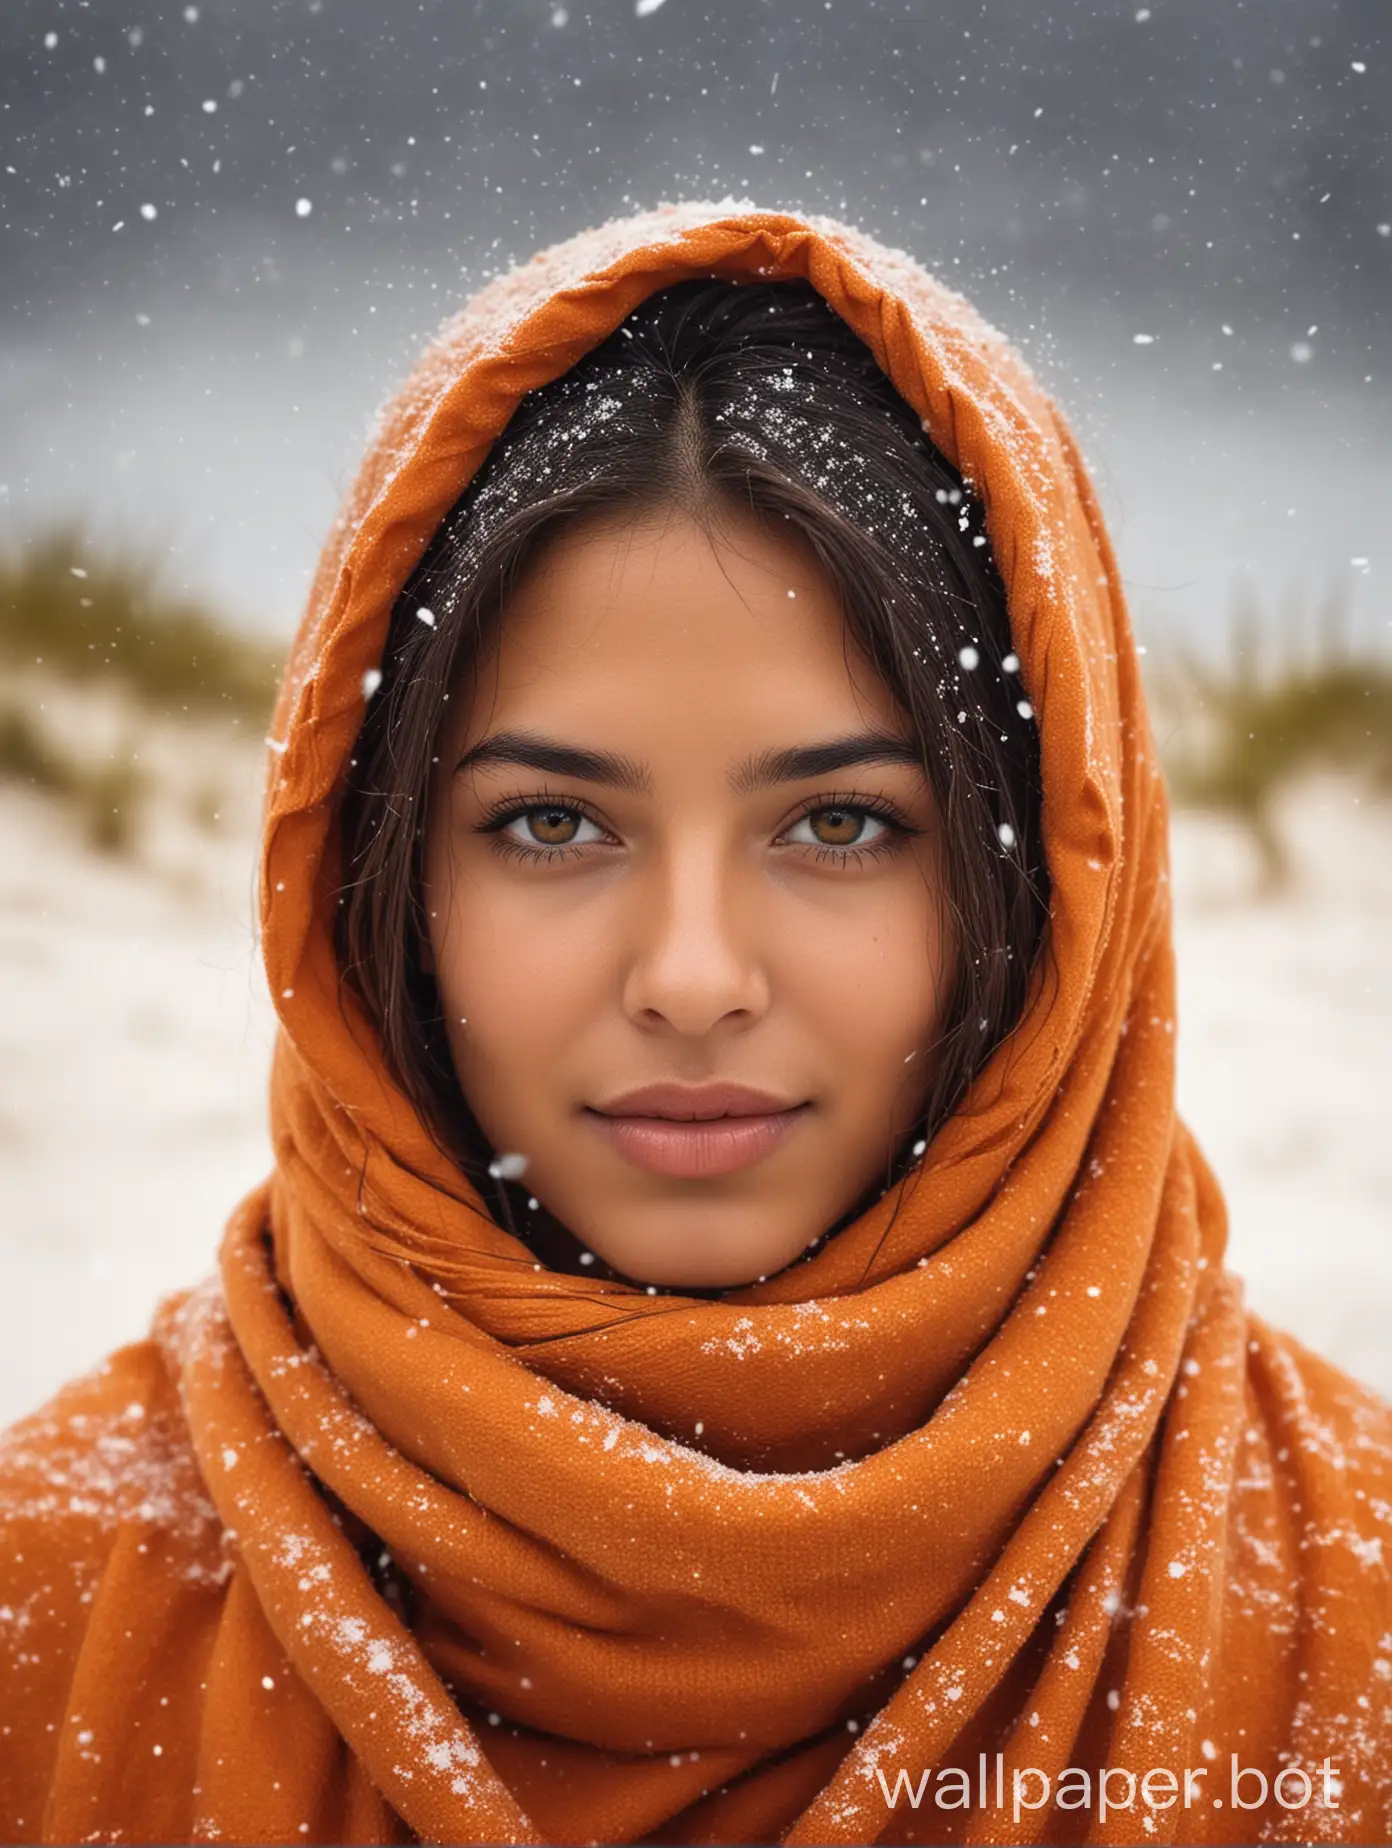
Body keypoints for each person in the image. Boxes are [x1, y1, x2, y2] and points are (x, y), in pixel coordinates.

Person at [0, 200, 1388, 1847]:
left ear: (1047, 902)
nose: (693, 976)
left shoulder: (1342, 1618)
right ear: (372, 881)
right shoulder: (54, 1597)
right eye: (551, 825)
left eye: (842, 825)